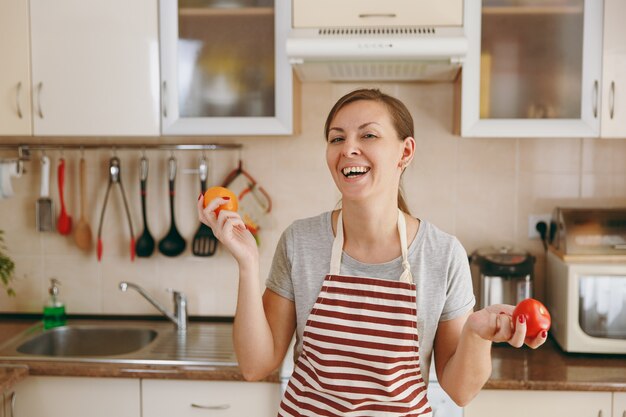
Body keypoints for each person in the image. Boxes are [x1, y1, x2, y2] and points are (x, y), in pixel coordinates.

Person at [198, 88, 547, 416]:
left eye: (368, 135)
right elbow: (254, 365)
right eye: (337, 138)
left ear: (405, 152)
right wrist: (247, 263)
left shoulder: (442, 254)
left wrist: (475, 334)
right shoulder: (300, 241)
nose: (348, 148)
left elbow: (460, 391)